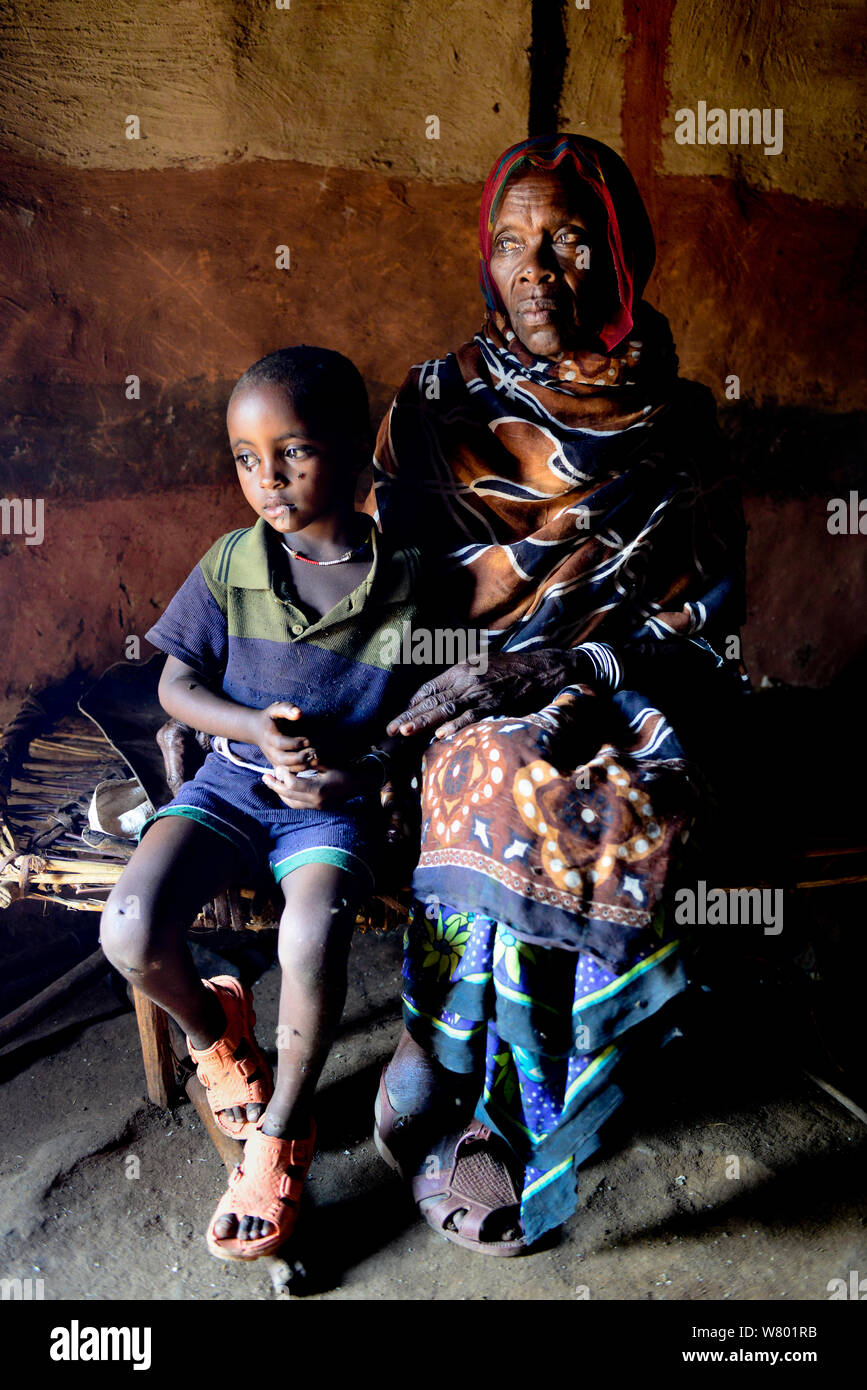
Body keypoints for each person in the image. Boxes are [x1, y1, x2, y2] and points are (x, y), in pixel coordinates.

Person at [368, 134, 747, 1254]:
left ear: (621, 262)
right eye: (513, 242)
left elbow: (710, 626)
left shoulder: (678, 426)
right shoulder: (439, 406)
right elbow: (385, 597)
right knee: (504, 768)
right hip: (461, 685)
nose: (538, 269)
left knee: (618, 786)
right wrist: (471, 677)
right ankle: (458, 1055)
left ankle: (533, 1108)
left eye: (573, 240)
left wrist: (578, 668)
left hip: (633, 684)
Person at [100, 345, 427, 1261]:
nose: (268, 479)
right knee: (127, 927)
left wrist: (350, 780)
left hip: (330, 807)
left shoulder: (407, 582)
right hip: (230, 786)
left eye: (293, 452)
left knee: (312, 936)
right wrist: (247, 726)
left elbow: (421, 725)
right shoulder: (232, 562)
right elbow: (176, 686)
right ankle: (219, 1037)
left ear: (359, 452)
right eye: (247, 459)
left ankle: (282, 1128)